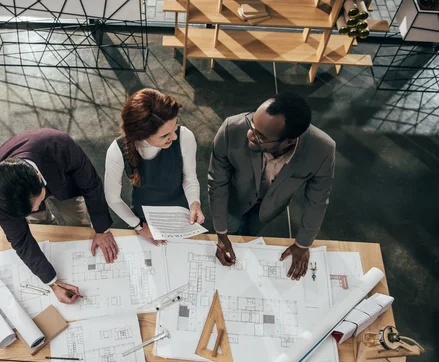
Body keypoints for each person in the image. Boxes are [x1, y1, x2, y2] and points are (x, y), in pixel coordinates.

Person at [208, 93, 335, 280]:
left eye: (259, 136)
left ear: (289, 141)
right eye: (252, 124)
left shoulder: (323, 150)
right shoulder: (230, 128)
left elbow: (317, 200)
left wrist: (302, 244)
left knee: (250, 232)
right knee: (232, 226)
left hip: (269, 209)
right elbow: (217, 182)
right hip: (232, 200)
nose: (249, 134)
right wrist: (221, 233)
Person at [0, 128, 119, 304]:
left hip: (64, 182)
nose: (38, 207)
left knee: (77, 219)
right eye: (31, 209)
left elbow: (91, 185)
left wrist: (101, 229)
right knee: (41, 224)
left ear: (39, 177)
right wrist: (53, 282)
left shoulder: (60, 145)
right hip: (28, 193)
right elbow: (20, 240)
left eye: (38, 202)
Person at [104, 88, 204, 244]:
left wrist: (195, 203)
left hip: (180, 212)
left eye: (175, 126)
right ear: (140, 135)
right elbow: (113, 199)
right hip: (143, 216)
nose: (174, 136)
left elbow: (190, 178)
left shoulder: (185, 137)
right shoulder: (116, 151)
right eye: (165, 135)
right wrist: (138, 226)